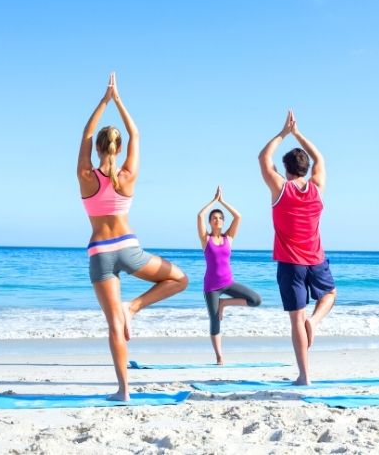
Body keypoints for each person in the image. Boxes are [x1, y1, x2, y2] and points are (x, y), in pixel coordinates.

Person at [77, 72, 188, 401]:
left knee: (113, 325)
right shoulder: (128, 175)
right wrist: (119, 99)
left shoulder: (85, 175)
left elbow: (84, 134)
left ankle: (123, 391)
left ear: (97, 148)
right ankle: (135, 307)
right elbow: (136, 133)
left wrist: (103, 100)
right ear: (119, 147)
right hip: (129, 248)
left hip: (100, 253)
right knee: (179, 280)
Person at [258, 110, 337, 385]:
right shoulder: (317, 188)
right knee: (329, 296)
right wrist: (299, 134)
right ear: (305, 168)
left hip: (291, 264)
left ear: (287, 169)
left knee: (296, 320)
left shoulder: (281, 188)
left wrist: (283, 133)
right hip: (316, 260)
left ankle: (304, 376)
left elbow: (263, 159)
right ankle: (314, 322)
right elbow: (321, 159)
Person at [197, 186, 262, 365]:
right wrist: (212, 201)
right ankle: (219, 356)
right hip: (211, 287)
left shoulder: (228, 238)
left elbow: (238, 216)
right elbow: (199, 216)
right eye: (214, 218)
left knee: (256, 300)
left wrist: (222, 201)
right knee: (215, 320)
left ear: (223, 221)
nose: (217, 220)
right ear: (210, 222)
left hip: (228, 283)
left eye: (220, 218)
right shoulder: (206, 239)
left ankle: (225, 303)